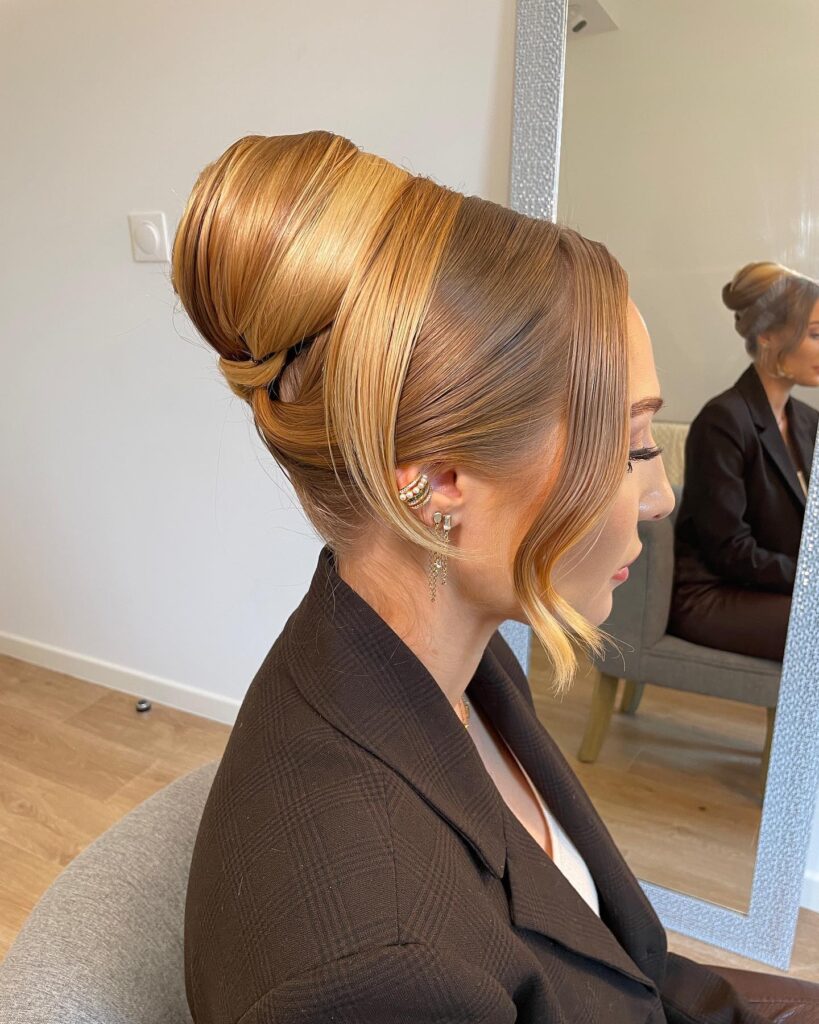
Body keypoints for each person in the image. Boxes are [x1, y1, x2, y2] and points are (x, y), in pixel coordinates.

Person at [171, 132, 819, 1022]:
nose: (659, 494)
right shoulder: (374, 973)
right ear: (439, 482)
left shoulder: (446, 657)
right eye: (632, 445)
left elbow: (624, 963)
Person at [669, 263, 819, 662]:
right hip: (711, 593)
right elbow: (729, 550)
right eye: (816, 334)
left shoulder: (807, 421)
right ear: (767, 335)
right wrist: (808, 579)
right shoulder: (723, 421)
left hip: (770, 586)